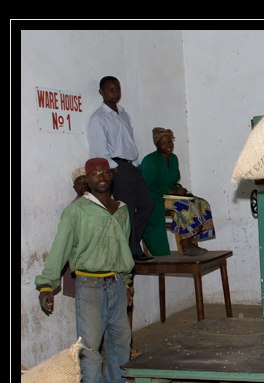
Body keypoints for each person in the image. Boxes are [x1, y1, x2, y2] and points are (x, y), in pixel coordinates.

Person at [35, 158, 135, 383]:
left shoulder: (121, 209)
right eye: (94, 173)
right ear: (87, 181)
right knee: (90, 346)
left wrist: (127, 282)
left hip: (115, 283)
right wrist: (47, 285)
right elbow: (60, 248)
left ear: (110, 176)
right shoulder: (76, 211)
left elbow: (123, 248)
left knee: (120, 338)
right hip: (90, 285)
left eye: (104, 172)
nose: (100, 176)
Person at [87, 76, 154, 262]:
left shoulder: (124, 114)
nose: (115, 93)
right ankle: (134, 251)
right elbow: (98, 150)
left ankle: (128, 243)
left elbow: (129, 143)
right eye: (110, 90)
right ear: (101, 92)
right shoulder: (98, 118)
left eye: (117, 89)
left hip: (131, 165)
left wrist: (136, 163)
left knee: (147, 204)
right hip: (116, 167)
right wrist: (113, 168)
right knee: (128, 208)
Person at [140, 127, 216, 256]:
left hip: (170, 195)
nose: (168, 145)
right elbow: (145, 186)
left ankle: (190, 241)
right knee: (184, 205)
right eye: (163, 143)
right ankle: (185, 246)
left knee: (201, 202)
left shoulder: (173, 159)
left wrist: (179, 189)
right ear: (157, 144)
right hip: (155, 197)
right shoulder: (150, 161)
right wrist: (170, 190)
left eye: (170, 142)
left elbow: (173, 180)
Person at [59, 167, 91, 298]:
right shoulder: (72, 209)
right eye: (79, 183)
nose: (83, 185)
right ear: (74, 188)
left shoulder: (104, 203)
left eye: (85, 181)